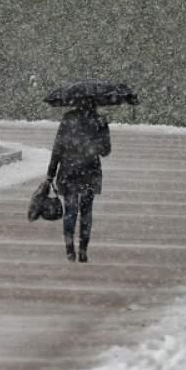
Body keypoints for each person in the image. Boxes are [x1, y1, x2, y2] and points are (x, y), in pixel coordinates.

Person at [45, 102, 111, 262]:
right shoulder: (100, 120)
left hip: (69, 171)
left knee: (70, 211)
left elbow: (57, 148)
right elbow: (106, 150)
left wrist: (50, 174)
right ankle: (83, 249)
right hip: (90, 171)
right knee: (86, 212)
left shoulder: (68, 119)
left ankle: (69, 248)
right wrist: (93, 145)